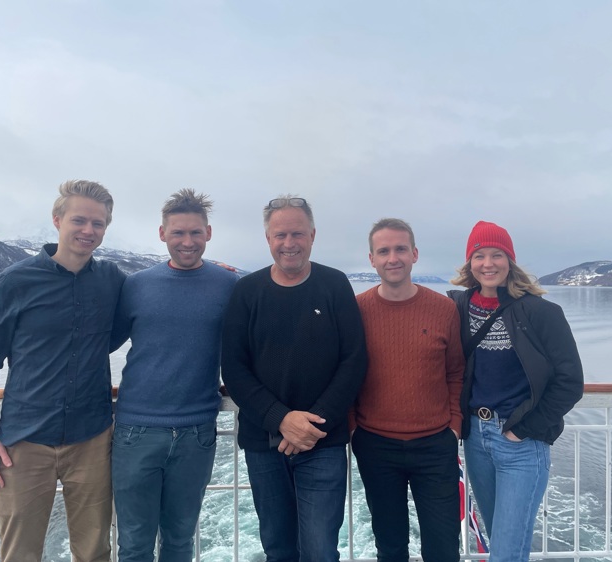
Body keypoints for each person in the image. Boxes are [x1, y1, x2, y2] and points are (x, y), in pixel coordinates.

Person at [0, 180, 126, 562]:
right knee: (20, 553)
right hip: (23, 443)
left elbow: (126, 325)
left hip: (91, 438)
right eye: (79, 220)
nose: (88, 230)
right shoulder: (14, 282)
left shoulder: (112, 281)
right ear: (57, 220)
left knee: (94, 551)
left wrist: (201, 274)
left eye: (98, 223)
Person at [221, 195, 367, 562]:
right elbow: (234, 368)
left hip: (323, 441)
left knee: (320, 550)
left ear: (313, 235)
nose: (289, 243)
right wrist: (281, 420)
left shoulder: (335, 285)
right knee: (279, 548)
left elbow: (353, 360)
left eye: (298, 233)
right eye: (280, 235)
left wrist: (312, 425)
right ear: (268, 239)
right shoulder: (247, 291)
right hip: (263, 443)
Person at [110, 188, 238, 561]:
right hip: (136, 430)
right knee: (134, 544)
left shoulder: (228, 285)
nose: (187, 241)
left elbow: (249, 342)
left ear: (208, 233)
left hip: (196, 431)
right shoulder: (136, 285)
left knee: (180, 541)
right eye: (178, 232)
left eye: (196, 232)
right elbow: (101, 342)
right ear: (162, 233)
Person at [447, 220, 584, 562]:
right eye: (479, 255)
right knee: (501, 543)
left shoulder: (541, 312)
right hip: (475, 440)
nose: (488, 263)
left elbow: (570, 381)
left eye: (497, 255)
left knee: (507, 553)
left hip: (520, 443)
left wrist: (523, 429)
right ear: (469, 263)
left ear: (510, 261)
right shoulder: (456, 308)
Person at [351, 218, 464, 562]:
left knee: (443, 549)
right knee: (390, 547)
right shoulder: (356, 310)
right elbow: (345, 373)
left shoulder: (444, 309)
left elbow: (456, 372)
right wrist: (353, 428)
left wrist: (454, 426)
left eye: (400, 249)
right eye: (383, 251)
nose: (393, 258)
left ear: (414, 254)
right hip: (376, 445)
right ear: (371, 259)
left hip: (435, 445)